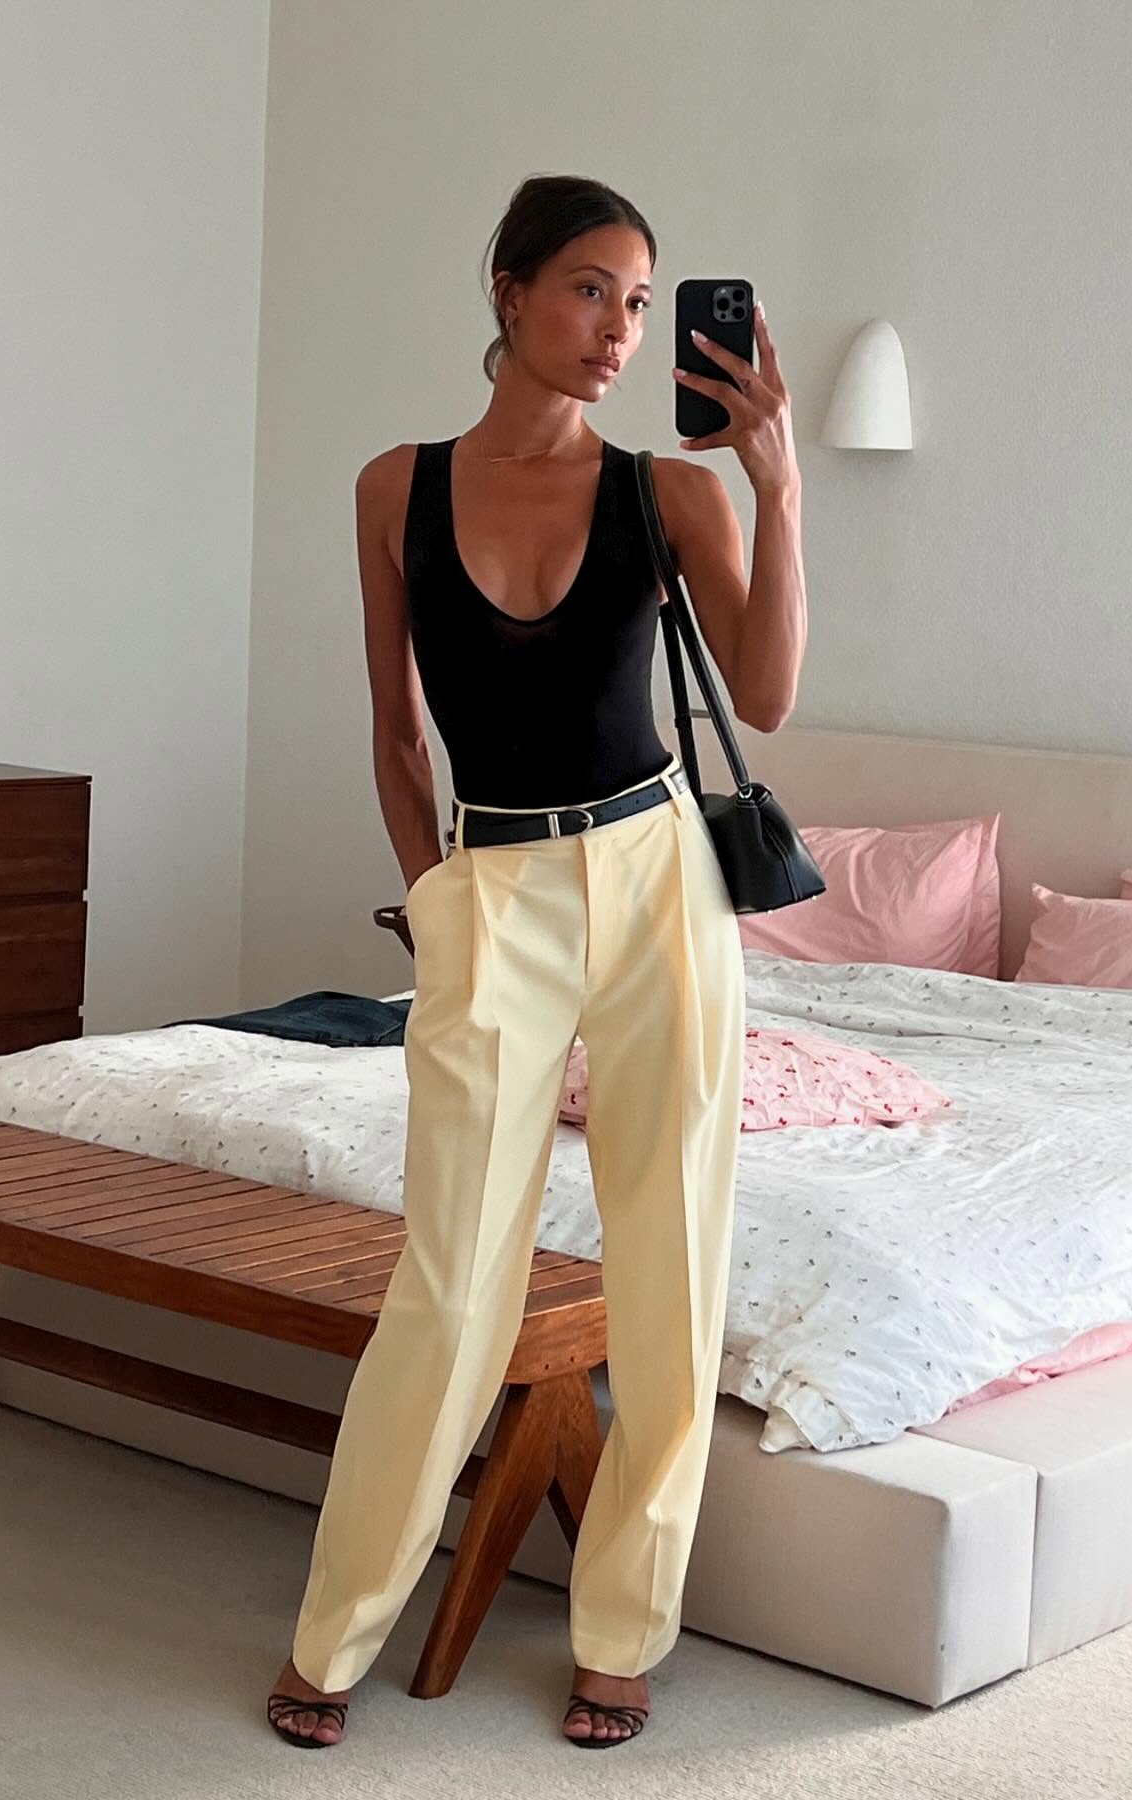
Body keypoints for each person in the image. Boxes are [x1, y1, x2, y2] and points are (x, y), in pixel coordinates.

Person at [266, 172, 805, 1751]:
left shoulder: (670, 495)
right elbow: (392, 728)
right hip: (489, 878)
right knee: (448, 1279)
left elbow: (764, 699)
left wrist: (778, 481)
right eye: (588, 290)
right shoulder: (392, 486)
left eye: (641, 303)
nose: (621, 331)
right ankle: (336, 1628)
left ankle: (623, 1629)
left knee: (669, 1258)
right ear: (505, 289)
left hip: (654, 878)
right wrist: (435, 898)